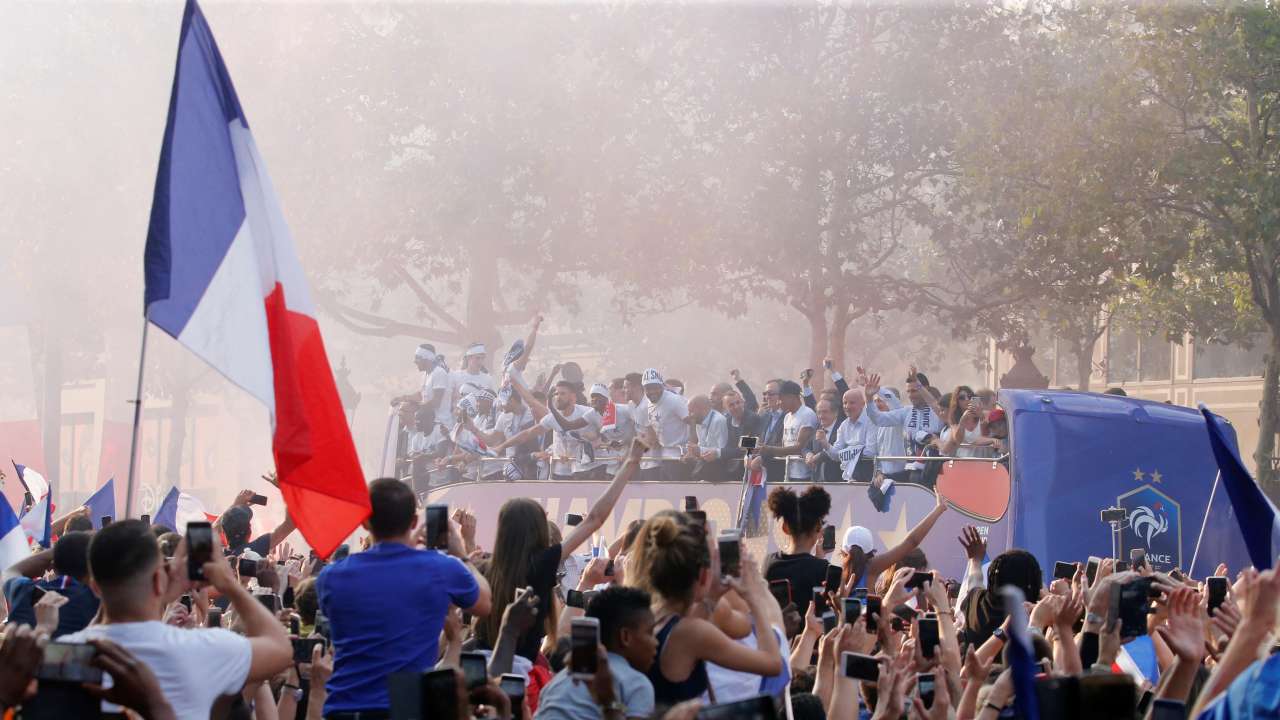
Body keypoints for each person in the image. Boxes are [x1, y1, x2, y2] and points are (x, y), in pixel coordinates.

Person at [60, 520, 292, 719]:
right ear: (158, 580)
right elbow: (280, 648)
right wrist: (229, 583)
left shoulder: (62, 655)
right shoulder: (203, 649)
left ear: (94, 587)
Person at [317, 477, 491, 716]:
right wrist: (461, 554)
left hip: (344, 707)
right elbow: (483, 604)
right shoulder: (442, 568)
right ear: (413, 522)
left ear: (365, 521)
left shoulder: (331, 577)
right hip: (405, 707)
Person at [478, 439, 647, 664]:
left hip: (483, 662)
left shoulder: (484, 568)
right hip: (522, 669)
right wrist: (630, 463)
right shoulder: (541, 564)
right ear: (535, 530)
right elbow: (594, 519)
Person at [625, 514, 782, 707]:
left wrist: (712, 596)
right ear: (702, 574)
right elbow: (773, 664)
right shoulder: (692, 633)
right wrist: (753, 596)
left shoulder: (651, 616)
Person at [534, 586, 658, 720]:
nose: (655, 642)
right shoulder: (637, 685)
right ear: (625, 637)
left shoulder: (557, 682)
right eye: (650, 633)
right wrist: (610, 702)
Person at [840, 489, 948, 594]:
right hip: (871, 613)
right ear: (870, 552)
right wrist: (939, 509)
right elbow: (911, 542)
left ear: (843, 551)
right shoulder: (872, 566)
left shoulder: (835, 575)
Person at [496, 380, 602, 479]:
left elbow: (608, 431)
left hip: (586, 470)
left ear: (573, 397)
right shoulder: (552, 418)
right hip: (560, 472)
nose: (558, 397)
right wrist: (501, 446)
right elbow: (527, 434)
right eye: (556, 394)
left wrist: (596, 437)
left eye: (562, 394)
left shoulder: (588, 413)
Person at [3, 530, 99, 637]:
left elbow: (10, 572)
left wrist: (54, 552)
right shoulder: (98, 599)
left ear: (51, 566)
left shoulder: (25, 591)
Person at [761, 486, 831, 617]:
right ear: (818, 528)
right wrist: (821, 560)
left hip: (778, 636)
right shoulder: (824, 569)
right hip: (813, 637)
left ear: (785, 528)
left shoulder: (769, 563)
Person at [636, 368, 692, 483]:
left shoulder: (675, 401)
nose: (652, 391)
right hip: (663, 457)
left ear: (662, 386)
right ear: (643, 389)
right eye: (648, 388)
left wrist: (693, 449)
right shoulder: (644, 405)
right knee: (667, 493)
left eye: (655, 387)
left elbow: (694, 423)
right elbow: (650, 433)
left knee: (682, 494)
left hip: (680, 456)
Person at [755, 380, 818, 482]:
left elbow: (799, 448)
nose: (778, 403)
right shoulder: (787, 417)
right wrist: (760, 450)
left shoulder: (807, 414)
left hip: (804, 475)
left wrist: (769, 449)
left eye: (781, 399)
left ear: (791, 397)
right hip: (787, 472)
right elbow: (785, 445)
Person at [819, 388, 875, 482]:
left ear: (862, 404)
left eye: (852, 403)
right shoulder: (844, 425)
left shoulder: (871, 421)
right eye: (845, 403)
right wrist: (825, 444)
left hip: (869, 475)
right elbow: (836, 455)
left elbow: (870, 451)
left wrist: (848, 451)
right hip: (850, 478)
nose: (847, 406)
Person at [719, 390, 763, 482]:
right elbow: (729, 445)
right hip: (730, 468)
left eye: (738, 403)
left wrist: (720, 452)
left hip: (748, 469)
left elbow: (752, 444)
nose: (736, 407)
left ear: (743, 402)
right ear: (725, 407)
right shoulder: (726, 420)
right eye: (731, 405)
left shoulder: (753, 419)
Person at [685, 395, 728, 482]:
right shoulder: (698, 421)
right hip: (705, 465)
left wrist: (699, 450)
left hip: (718, 469)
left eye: (691, 411)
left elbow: (723, 449)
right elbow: (702, 445)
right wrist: (692, 452)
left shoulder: (718, 420)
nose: (689, 415)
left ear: (702, 409)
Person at [804, 398, 842, 483]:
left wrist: (818, 456)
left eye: (825, 412)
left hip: (837, 483)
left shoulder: (842, 429)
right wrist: (808, 455)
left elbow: (838, 450)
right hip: (816, 482)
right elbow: (805, 448)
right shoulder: (817, 428)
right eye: (819, 412)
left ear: (835, 413)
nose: (821, 416)